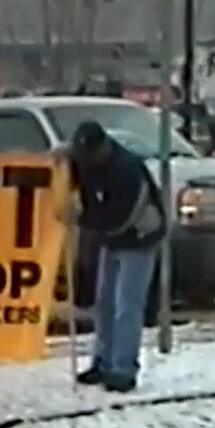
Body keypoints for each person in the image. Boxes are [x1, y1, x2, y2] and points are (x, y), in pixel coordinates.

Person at [59, 121, 166, 393]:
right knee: (104, 303)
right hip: (111, 239)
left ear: (104, 146)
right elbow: (67, 169)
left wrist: (82, 218)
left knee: (127, 305)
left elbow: (121, 218)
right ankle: (103, 362)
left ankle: (123, 369)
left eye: (92, 154)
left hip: (138, 237)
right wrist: (58, 161)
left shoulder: (126, 169)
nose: (89, 161)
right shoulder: (84, 161)